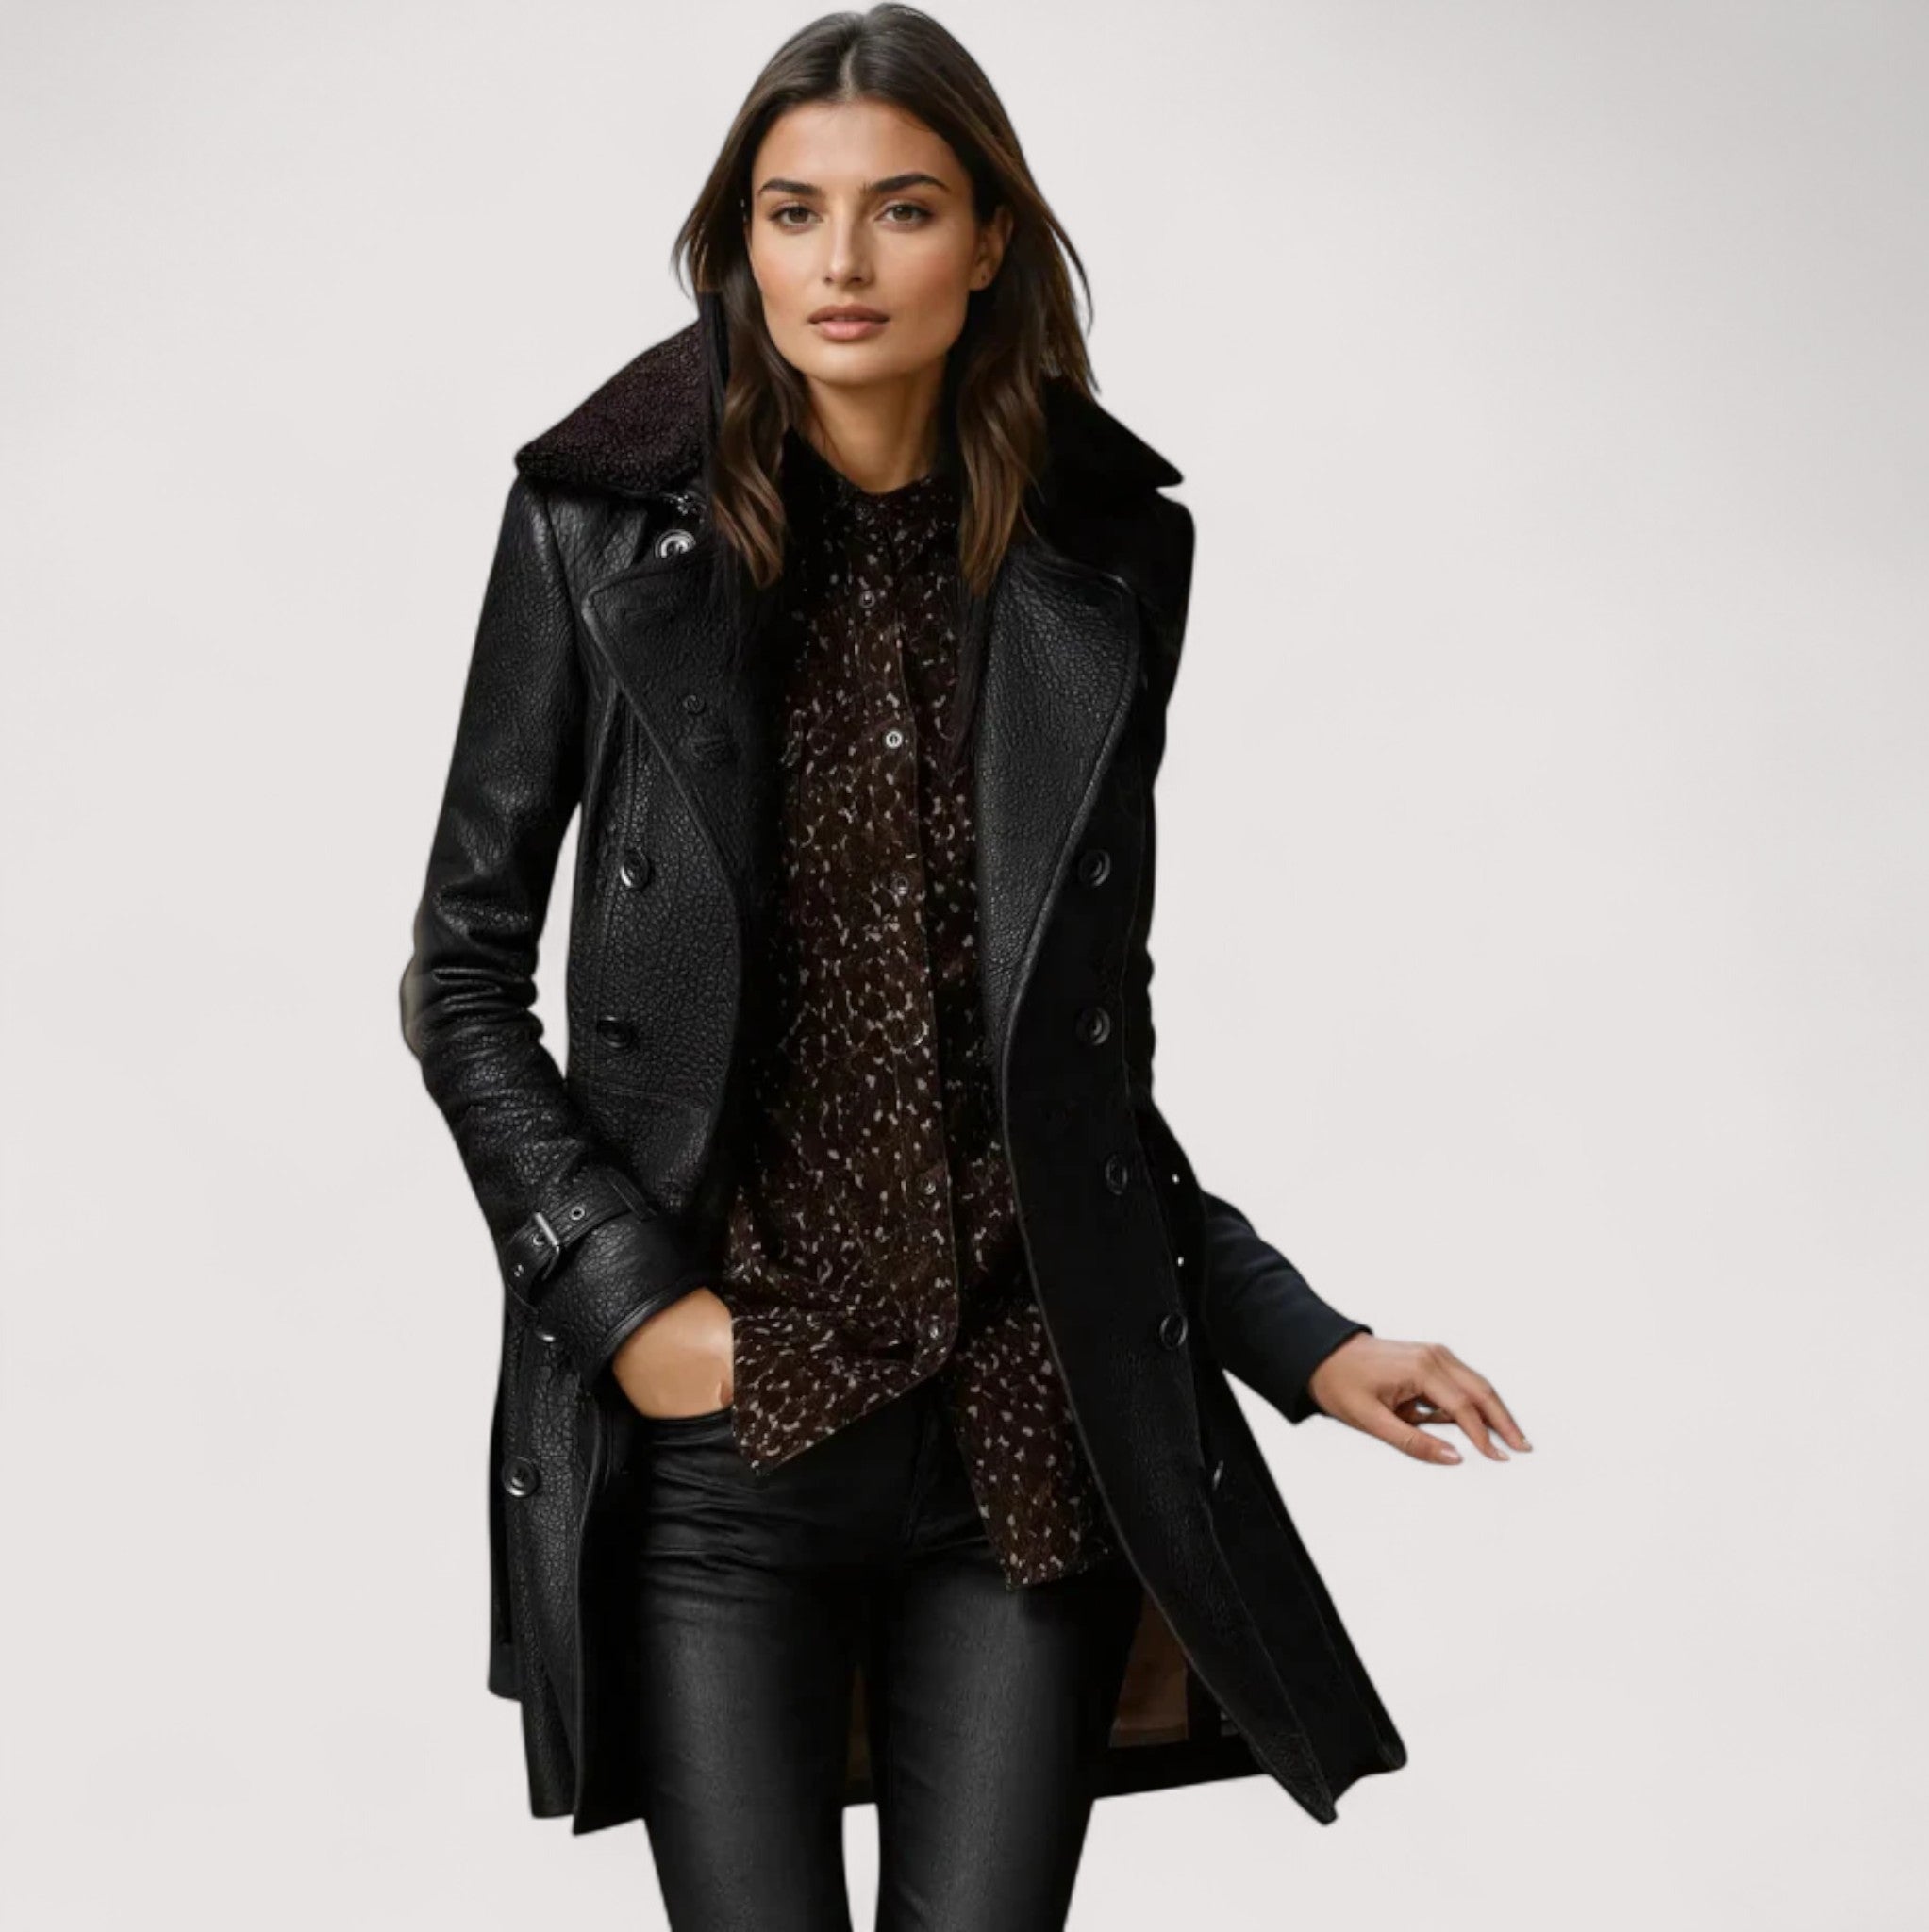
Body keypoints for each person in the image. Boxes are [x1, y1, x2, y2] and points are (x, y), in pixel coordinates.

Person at [400, 8, 1528, 1927]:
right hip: (733, 1440)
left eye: (902, 208)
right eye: (793, 212)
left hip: (1022, 1434)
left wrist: (1298, 1338)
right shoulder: (599, 533)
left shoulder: (1108, 565)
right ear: (740, 242)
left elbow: (1074, 1073)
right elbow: (459, 976)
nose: (841, 261)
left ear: (990, 237)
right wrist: (624, 1302)